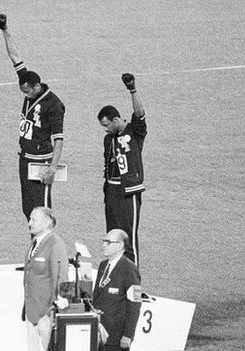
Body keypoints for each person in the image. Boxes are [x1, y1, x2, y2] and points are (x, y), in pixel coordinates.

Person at [0, 13, 66, 221]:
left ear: (37, 86)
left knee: (42, 210)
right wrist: (4, 29)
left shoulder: (54, 105)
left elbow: (59, 140)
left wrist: (52, 168)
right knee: (28, 209)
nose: (25, 96)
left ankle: (48, 250)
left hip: (40, 163)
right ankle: (36, 247)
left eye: (27, 92)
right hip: (24, 158)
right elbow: (15, 57)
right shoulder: (29, 82)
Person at [97, 74, 146, 266]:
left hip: (128, 192)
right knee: (113, 237)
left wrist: (132, 90)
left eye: (106, 125)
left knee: (128, 239)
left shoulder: (135, 132)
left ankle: (134, 284)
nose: (105, 130)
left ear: (116, 119)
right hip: (111, 192)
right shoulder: (108, 139)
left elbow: (140, 114)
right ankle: (117, 278)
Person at [22, 206, 69, 351]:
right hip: (31, 310)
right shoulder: (34, 243)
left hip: (47, 312)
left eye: (34, 220)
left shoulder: (56, 243)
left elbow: (63, 275)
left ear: (47, 222)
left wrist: (64, 305)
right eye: (30, 219)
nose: (30, 223)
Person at [92, 229, 142, 351]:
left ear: (120, 246)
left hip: (116, 336)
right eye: (104, 241)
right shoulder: (103, 265)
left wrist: (128, 335)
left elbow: (134, 305)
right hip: (98, 330)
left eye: (108, 242)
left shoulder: (130, 270)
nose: (104, 245)